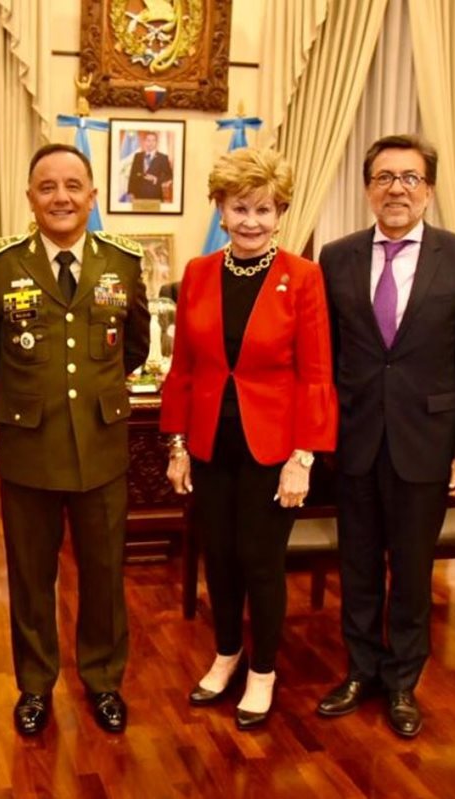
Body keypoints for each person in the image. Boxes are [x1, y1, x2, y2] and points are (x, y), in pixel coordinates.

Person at [316, 135, 455, 738]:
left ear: (430, 190)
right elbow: (328, 357)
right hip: (357, 440)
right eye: (385, 177)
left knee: (413, 573)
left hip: (429, 442)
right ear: (367, 188)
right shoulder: (335, 258)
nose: (397, 188)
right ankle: (360, 671)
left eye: (410, 178)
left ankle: (401, 684)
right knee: (358, 564)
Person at [0, 143, 149, 736]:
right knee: (29, 576)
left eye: (74, 186)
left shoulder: (122, 263)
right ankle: (35, 685)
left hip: (101, 447)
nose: (62, 198)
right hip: (29, 448)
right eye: (47, 187)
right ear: (30, 197)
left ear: (93, 196)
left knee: (104, 575)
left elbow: (137, 346)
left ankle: (102, 681)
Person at [160, 147, 337, 730]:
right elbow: (183, 365)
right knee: (222, 557)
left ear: (280, 211)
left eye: (264, 209)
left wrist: (303, 459)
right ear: (220, 209)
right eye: (240, 208)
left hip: (274, 449)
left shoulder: (302, 276)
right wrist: (178, 445)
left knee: (261, 561)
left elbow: (316, 373)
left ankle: (263, 669)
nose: (252, 221)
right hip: (212, 443)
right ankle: (226, 652)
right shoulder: (197, 274)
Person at [127, 131, 173, 202]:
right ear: (145, 142)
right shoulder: (137, 156)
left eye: (153, 140)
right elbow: (132, 175)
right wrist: (130, 192)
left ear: (156, 142)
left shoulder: (163, 157)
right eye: (148, 140)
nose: (150, 143)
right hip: (138, 195)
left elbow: (169, 175)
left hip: (155, 195)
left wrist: (156, 179)